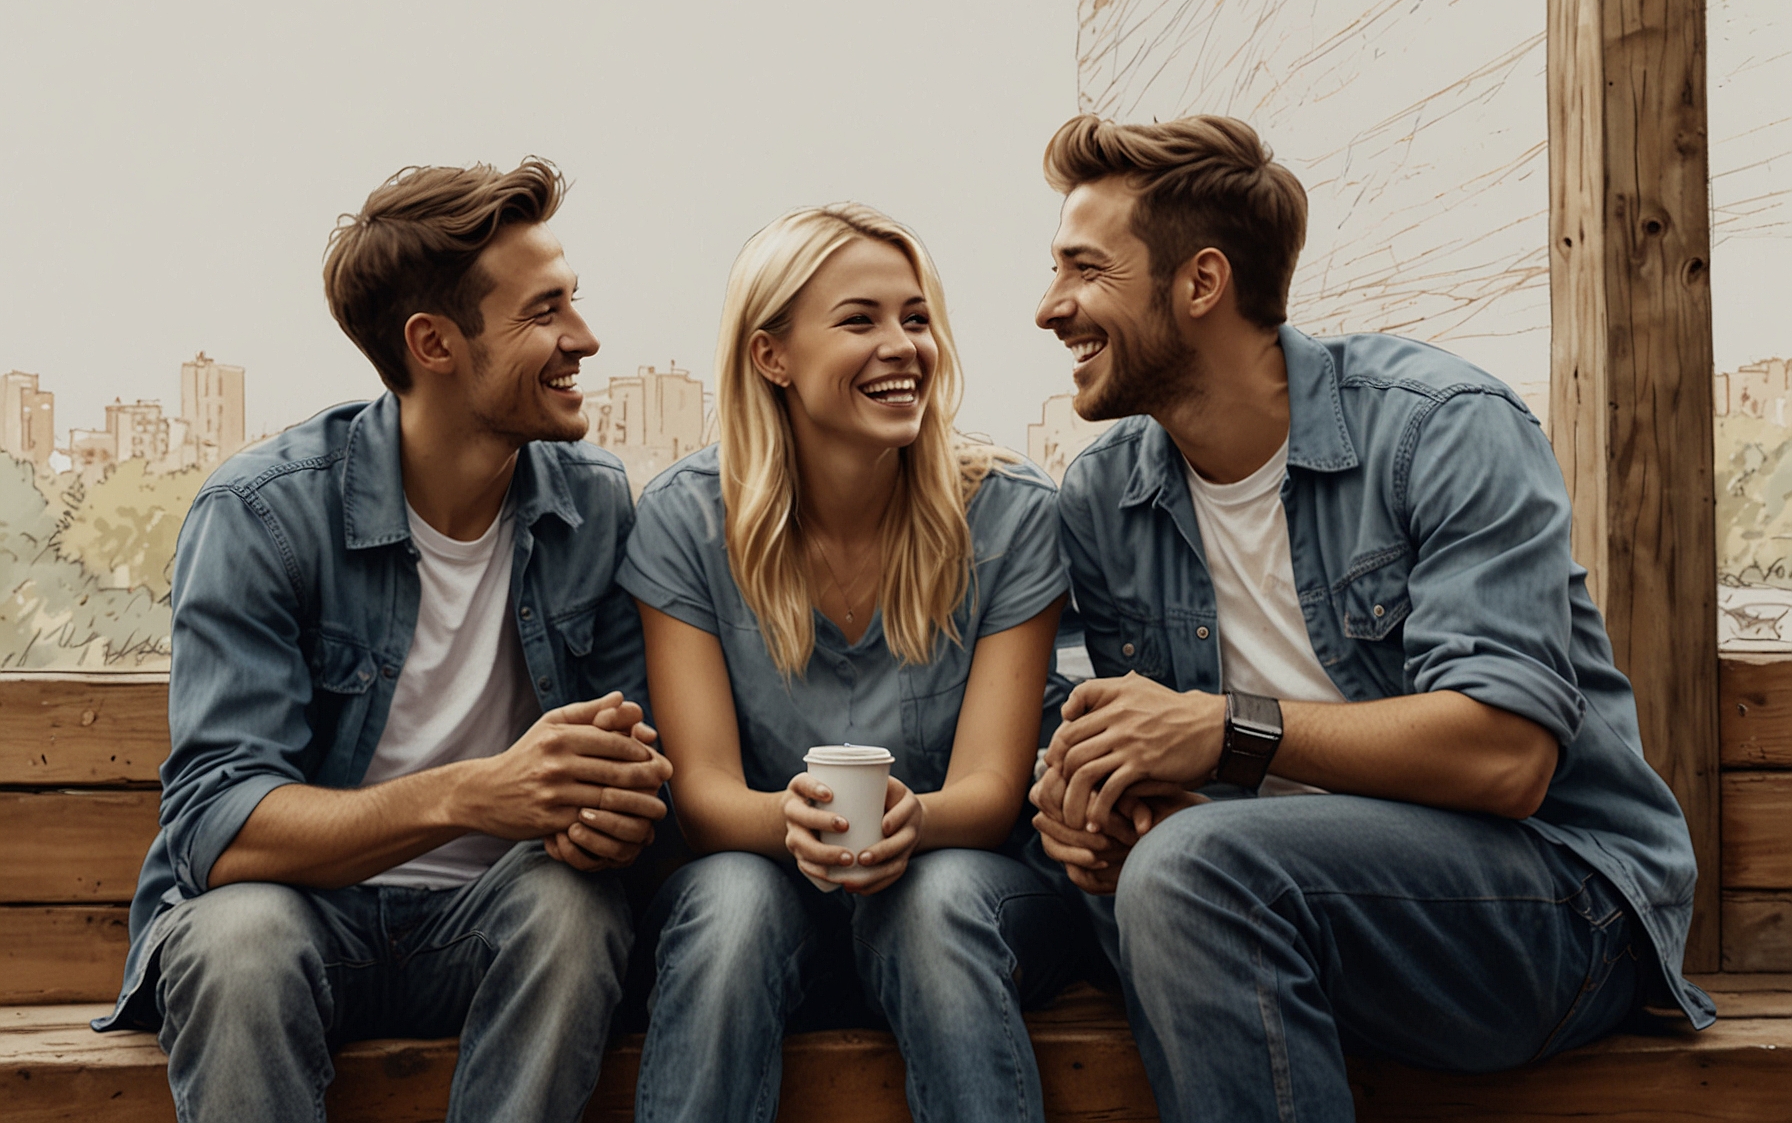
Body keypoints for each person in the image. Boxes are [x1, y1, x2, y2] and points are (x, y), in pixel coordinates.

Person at [1027, 114, 1714, 1122]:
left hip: (1557, 906)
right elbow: (1117, 747)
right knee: (1114, 875)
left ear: (1201, 283)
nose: (1050, 307)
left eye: (1084, 271)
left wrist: (1219, 734)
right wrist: (1090, 806)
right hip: (1266, 908)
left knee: (1190, 867)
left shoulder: (1440, 427)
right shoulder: (1105, 497)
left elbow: (1505, 757)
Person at [94, 158, 673, 1123]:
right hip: (297, 916)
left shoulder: (594, 503)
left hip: (490, 916)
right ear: (434, 343)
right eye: (544, 313)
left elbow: (630, 770)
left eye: (574, 301)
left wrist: (617, 811)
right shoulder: (263, 514)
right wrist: (472, 793)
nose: (585, 338)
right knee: (237, 943)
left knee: (575, 912)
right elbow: (215, 828)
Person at [620, 203, 1076, 1123]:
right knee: (730, 905)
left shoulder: (1008, 515)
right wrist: (794, 827)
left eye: (915, 318)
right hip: (764, 878)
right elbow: (704, 795)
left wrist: (913, 823)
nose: (903, 345)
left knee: (936, 898)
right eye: (859, 320)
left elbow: (990, 793)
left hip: (961, 885)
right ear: (771, 357)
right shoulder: (684, 518)